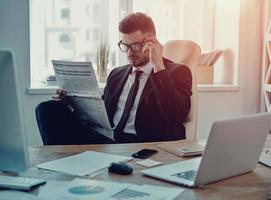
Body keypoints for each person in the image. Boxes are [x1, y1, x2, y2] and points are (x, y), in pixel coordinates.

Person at [36, 12, 192, 145]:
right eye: (125, 45)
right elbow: (100, 114)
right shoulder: (117, 74)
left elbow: (176, 114)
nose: (129, 53)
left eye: (135, 46)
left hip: (142, 143)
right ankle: (62, 168)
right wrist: (71, 103)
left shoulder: (177, 72)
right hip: (108, 139)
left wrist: (158, 65)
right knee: (47, 109)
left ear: (151, 42)